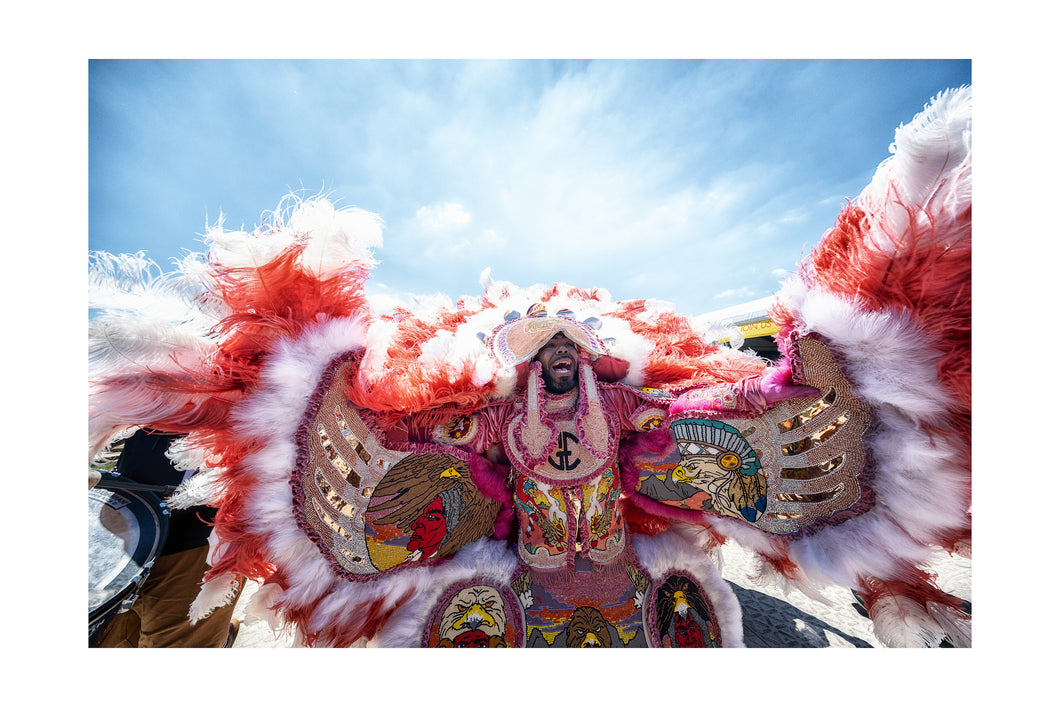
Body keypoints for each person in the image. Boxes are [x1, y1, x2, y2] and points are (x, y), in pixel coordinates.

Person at [92, 429, 243, 648]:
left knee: (179, 639)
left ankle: (214, 634)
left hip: (202, 534)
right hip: (126, 514)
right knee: (113, 636)